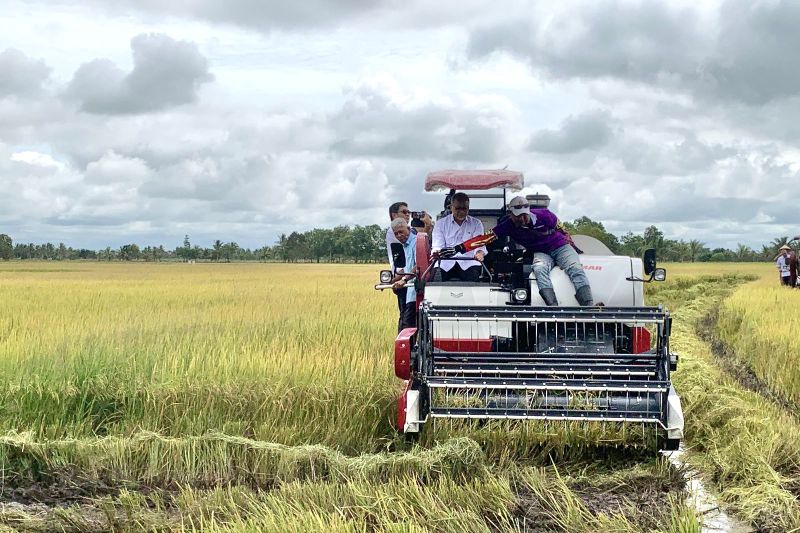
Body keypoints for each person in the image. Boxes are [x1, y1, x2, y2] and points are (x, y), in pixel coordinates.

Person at [491, 196, 593, 306]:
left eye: (524, 214)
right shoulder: (507, 225)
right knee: (539, 269)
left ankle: (588, 305)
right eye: (518, 215)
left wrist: (573, 246)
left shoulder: (545, 215)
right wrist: (469, 245)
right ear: (510, 214)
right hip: (541, 251)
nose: (522, 218)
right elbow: (488, 236)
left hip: (560, 246)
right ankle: (553, 307)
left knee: (575, 267)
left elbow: (562, 230)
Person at [431, 192, 486, 281]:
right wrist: (436, 253)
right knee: (436, 277)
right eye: (458, 209)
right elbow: (437, 246)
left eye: (465, 208)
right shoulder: (440, 224)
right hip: (445, 262)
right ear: (451, 207)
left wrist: (479, 253)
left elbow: (479, 244)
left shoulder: (476, 223)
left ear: (468, 208)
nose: (461, 212)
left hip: (469, 262)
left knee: (475, 277)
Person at [390, 218, 418, 330]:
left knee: (408, 327)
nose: (399, 235)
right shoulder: (405, 246)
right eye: (396, 233)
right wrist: (391, 280)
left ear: (408, 229)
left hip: (416, 292)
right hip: (409, 292)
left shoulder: (416, 242)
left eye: (401, 232)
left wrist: (404, 280)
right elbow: (407, 268)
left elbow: (419, 266)